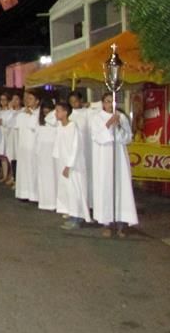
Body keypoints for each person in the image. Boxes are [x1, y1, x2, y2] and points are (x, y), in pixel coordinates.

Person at [90, 92, 139, 237]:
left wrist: (117, 126)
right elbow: (98, 137)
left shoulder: (121, 117)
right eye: (107, 101)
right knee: (106, 187)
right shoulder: (97, 118)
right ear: (102, 103)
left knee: (121, 188)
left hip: (119, 158)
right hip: (104, 158)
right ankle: (107, 223)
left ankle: (121, 223)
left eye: (112, 102)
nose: (109, 104)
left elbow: (127, 138)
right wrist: (108, 124)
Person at [53, 100, 91, 230]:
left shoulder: (73, 126)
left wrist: (69, 165)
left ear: (65, 112)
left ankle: (77, 218)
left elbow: (76, 147)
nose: (55, 113)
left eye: (58, 110)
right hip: (63, 162)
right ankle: (71, 213)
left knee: (75, 190)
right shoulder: (59, 126)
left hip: (74, 166)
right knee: (67, 190)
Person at [14, 89, 40, 201]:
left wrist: (32, 115)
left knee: (32, 169)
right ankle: (23, 193)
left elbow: (36, 127)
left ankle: (34, 194)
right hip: (23, 146)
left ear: (37, 101)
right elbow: (17, 128)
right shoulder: (22, 114)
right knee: (23, 169)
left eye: (30, 99)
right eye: (27, 99)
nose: (28, 101)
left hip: (33, 146)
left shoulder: (39, 114)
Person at [34, 98, 58, 211]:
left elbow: (52, 121)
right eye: (44, 109)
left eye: (48, 109)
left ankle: (54, 202)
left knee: (52, 177)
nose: (46, 111)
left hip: (51, 153)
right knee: (43, 177)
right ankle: (45, 201)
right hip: (42, 152)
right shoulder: (40, 122)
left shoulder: (54, 119)